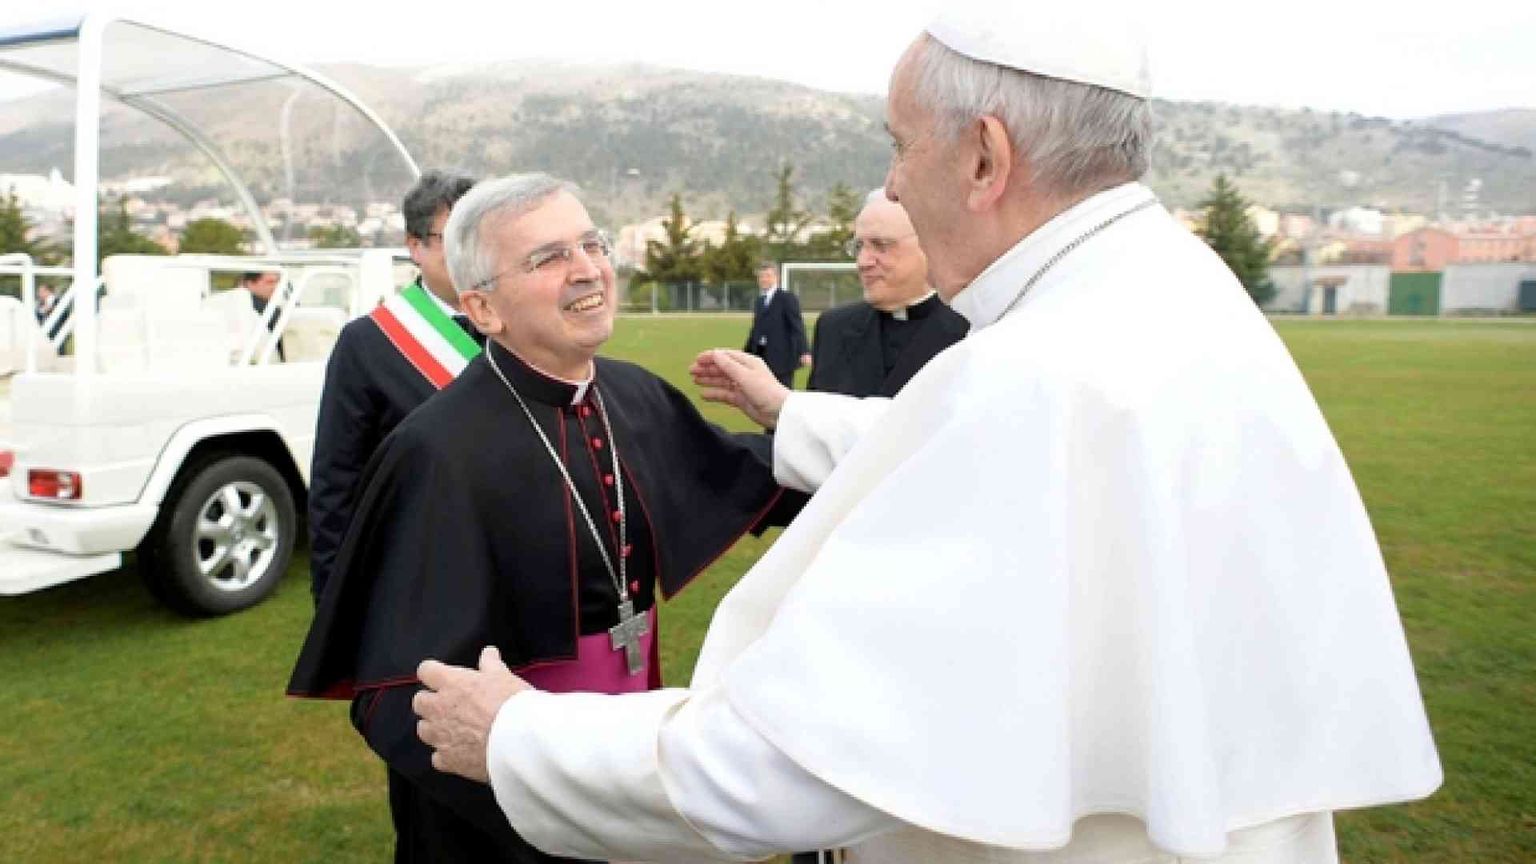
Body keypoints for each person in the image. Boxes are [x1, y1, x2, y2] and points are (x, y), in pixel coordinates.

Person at [411, 7, 1442, 863]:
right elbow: (986, 468)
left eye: (901, 148)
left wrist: (519, 736)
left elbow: (791, 764)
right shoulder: (1169, 289)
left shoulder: (1032, 374)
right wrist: (790, 413)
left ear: (986, 155)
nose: (895, 187)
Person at [288, 173, 786, 864]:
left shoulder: (631, 393)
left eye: (592, 244)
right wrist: (534, 796)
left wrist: (838, 439)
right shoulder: (435, 453)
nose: (587, 270)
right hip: (504, 812)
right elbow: (397, 692)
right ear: (482, 309)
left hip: (629, 743)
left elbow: (753, 472)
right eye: (548, 257)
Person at [308, 169, 479, 603]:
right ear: (415, 246)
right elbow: (336, 482)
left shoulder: (520, 329)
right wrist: (334, 601)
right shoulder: (366, 343)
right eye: (454, 237)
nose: (471, 254)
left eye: (480, 237)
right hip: (414, 576)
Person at [807, 189, 967, 398]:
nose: (863, 262)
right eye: (858, 247)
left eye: (880, 245)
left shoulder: (973, 330)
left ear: (928, 244)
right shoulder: (833, 329)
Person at [743, 260, 810, 387]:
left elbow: (797, 326)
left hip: (782, 357)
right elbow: (756, 329)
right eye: (761, 276)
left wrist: (804, 351)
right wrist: (746, 352)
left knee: (782, 394)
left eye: (768, 276)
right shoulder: (760, 301)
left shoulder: (787, 298)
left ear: (777, 277)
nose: (764, 279)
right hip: (761, 356)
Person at [240, 269, 286, 360]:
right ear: (250, 284)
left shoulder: (237, 305)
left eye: (277, 282)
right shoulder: (269, 311)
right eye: (270, 282)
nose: (276, 287)